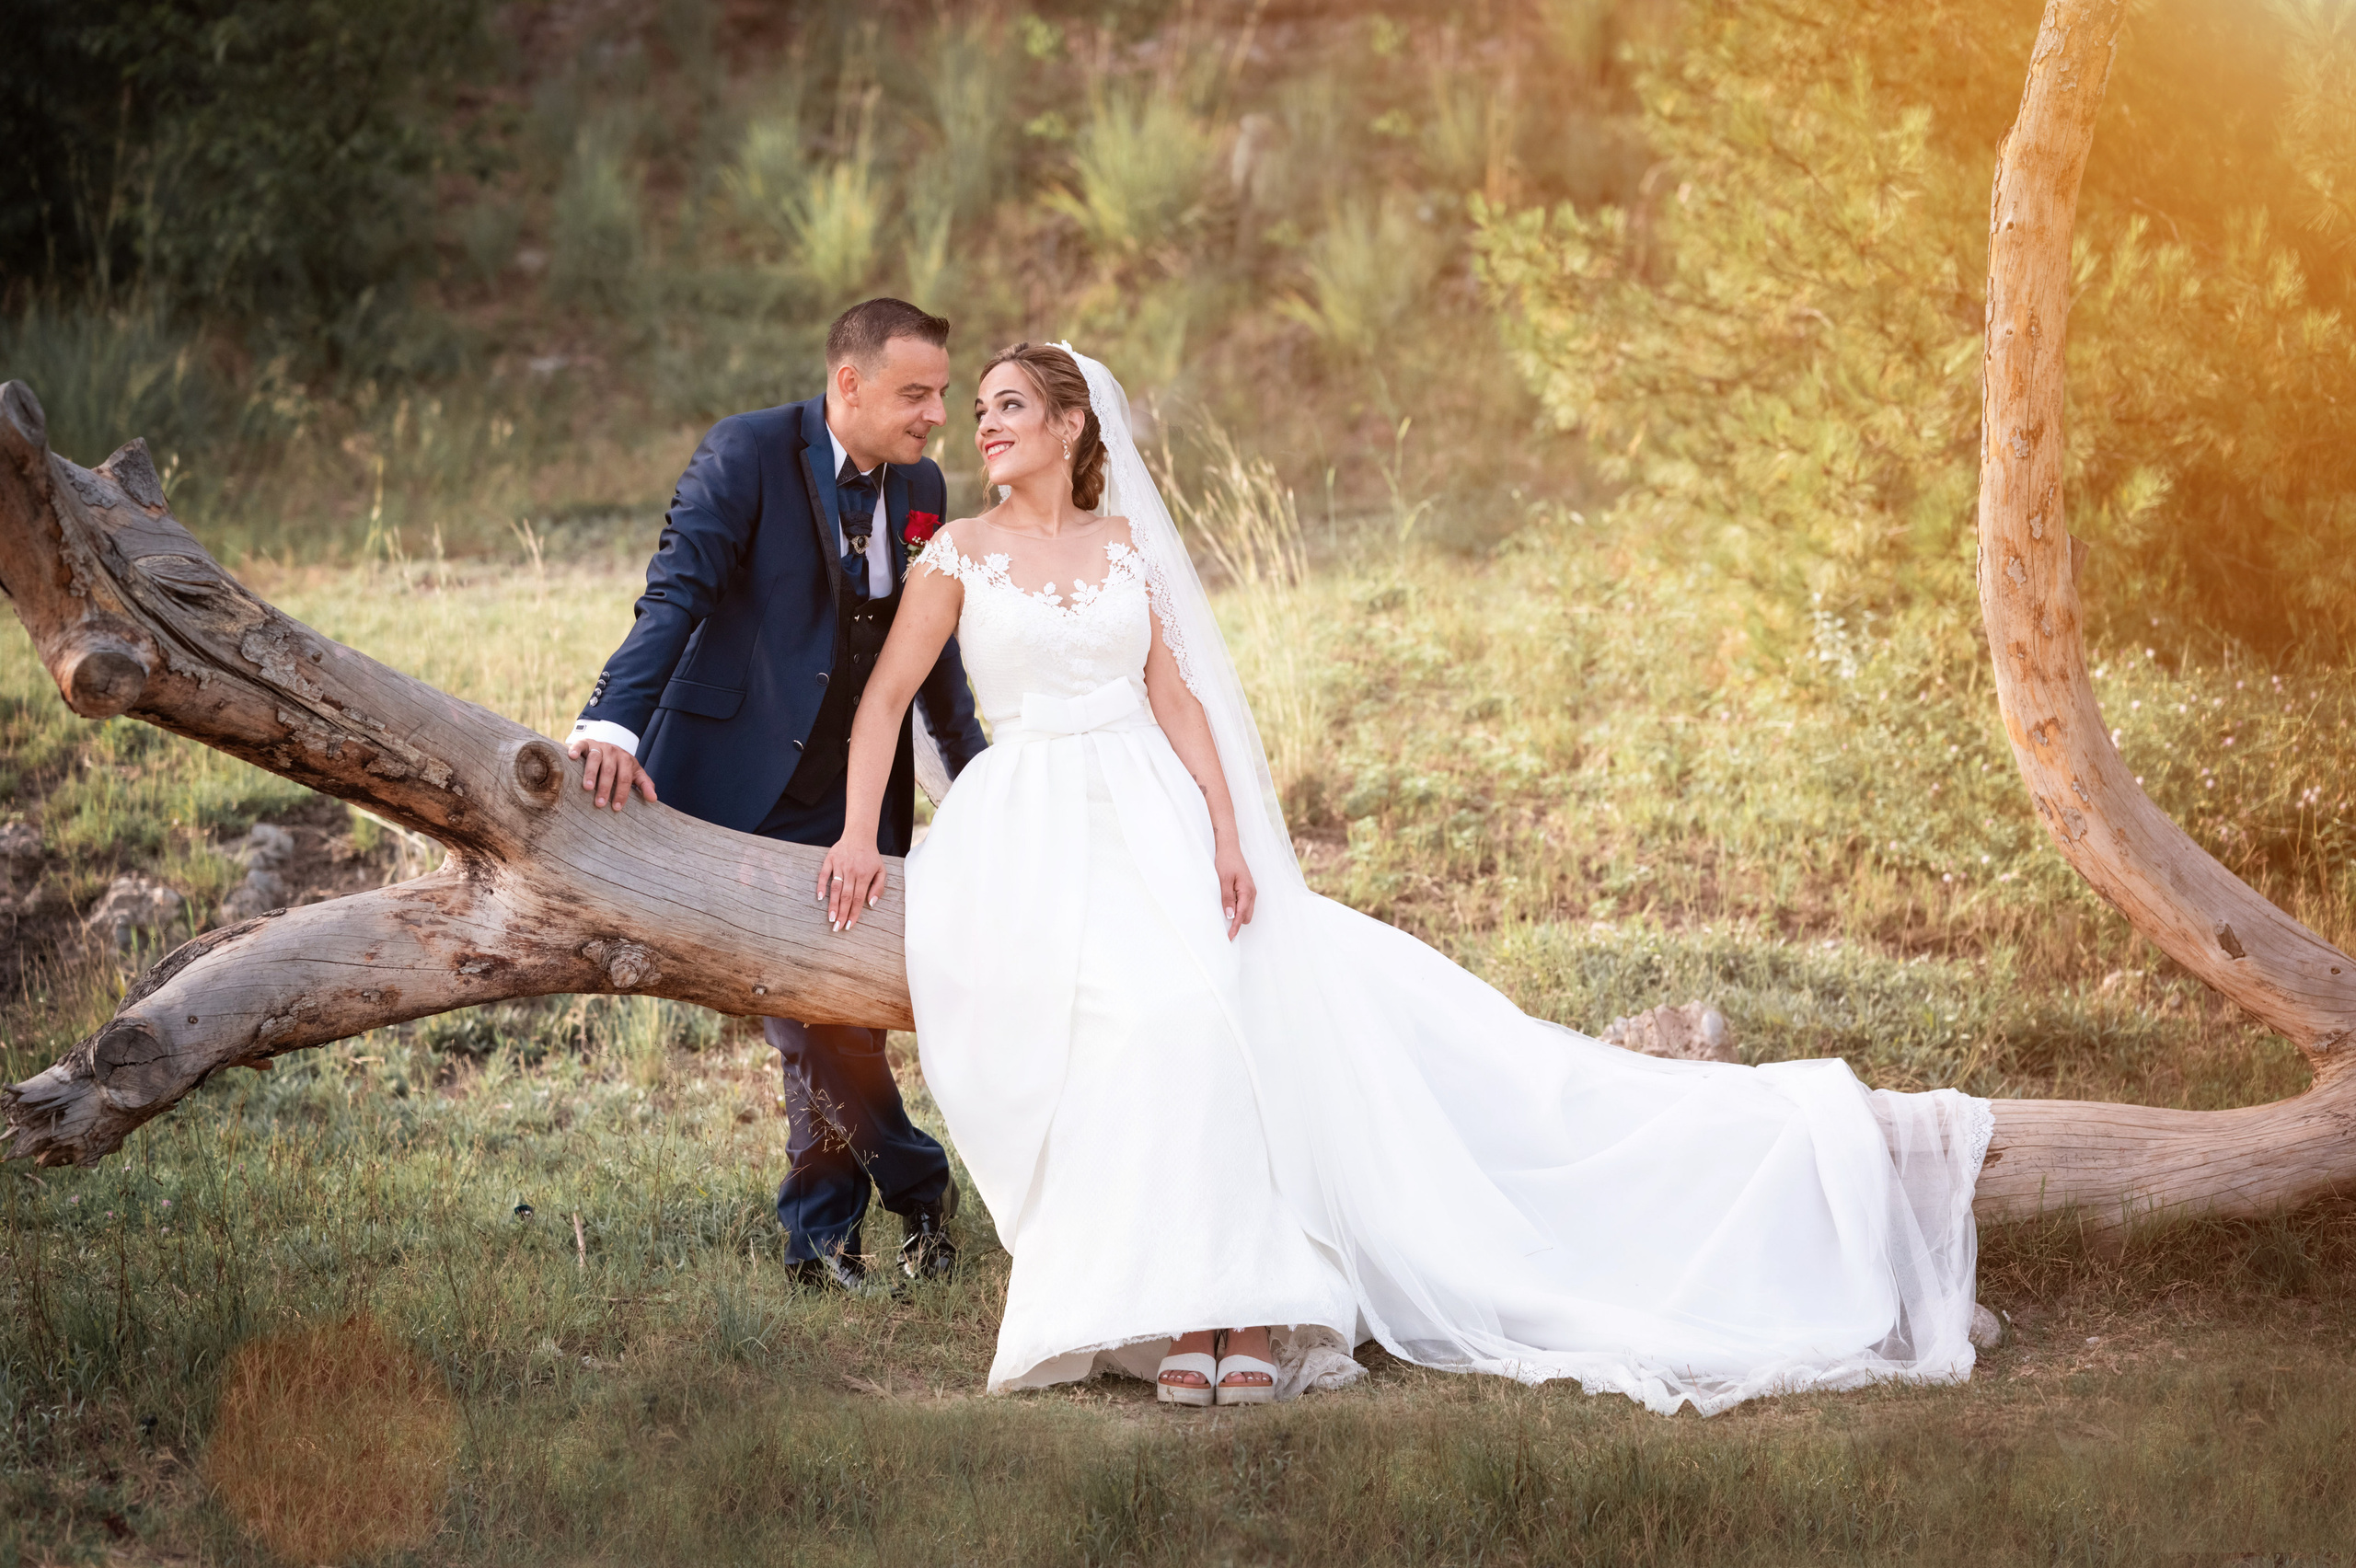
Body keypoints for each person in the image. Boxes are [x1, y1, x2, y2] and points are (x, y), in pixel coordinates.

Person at [815, 342, 1994, 1412]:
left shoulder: (1127, 549)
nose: (983, 426)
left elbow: (1176, 702)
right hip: (1026, 826)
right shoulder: (957, 552)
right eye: (977, 411)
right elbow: (884, 701)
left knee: (1222, 1011)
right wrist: (865, 835)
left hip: (1151, 812)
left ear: (1075, 429)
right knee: (1145, 1022)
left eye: (1008, 407)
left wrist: (1228, 835)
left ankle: (1242, 1307)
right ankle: (1178, 1299)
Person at [567, 298, 989, 1294]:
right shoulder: (745, 452)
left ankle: (824, 1240)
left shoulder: (921, 485)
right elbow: (678, 589)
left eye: (941, 392)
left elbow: (935, 669)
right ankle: (906, 1190)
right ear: (849, 383)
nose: (937, 415)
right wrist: (611, 722)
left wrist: (980, 794)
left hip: (854, 794)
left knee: (830, 1012)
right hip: (737, 782)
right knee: (809, 1011)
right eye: (915, 393)